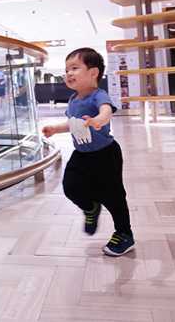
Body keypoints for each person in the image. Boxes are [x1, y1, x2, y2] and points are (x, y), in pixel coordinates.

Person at [41, 47, 134, 256]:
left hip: (105, 155)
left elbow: (106, 111)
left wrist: (98, 121)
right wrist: (56, 128)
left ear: (93, 73)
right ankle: (91, 208)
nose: (69, 74)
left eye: (75, 68)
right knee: (70, 187)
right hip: (81, 154)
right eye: (67, 70)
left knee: (114, 196)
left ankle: (124, 233)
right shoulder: (73, 100)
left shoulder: (98, 95)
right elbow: (73, 124)